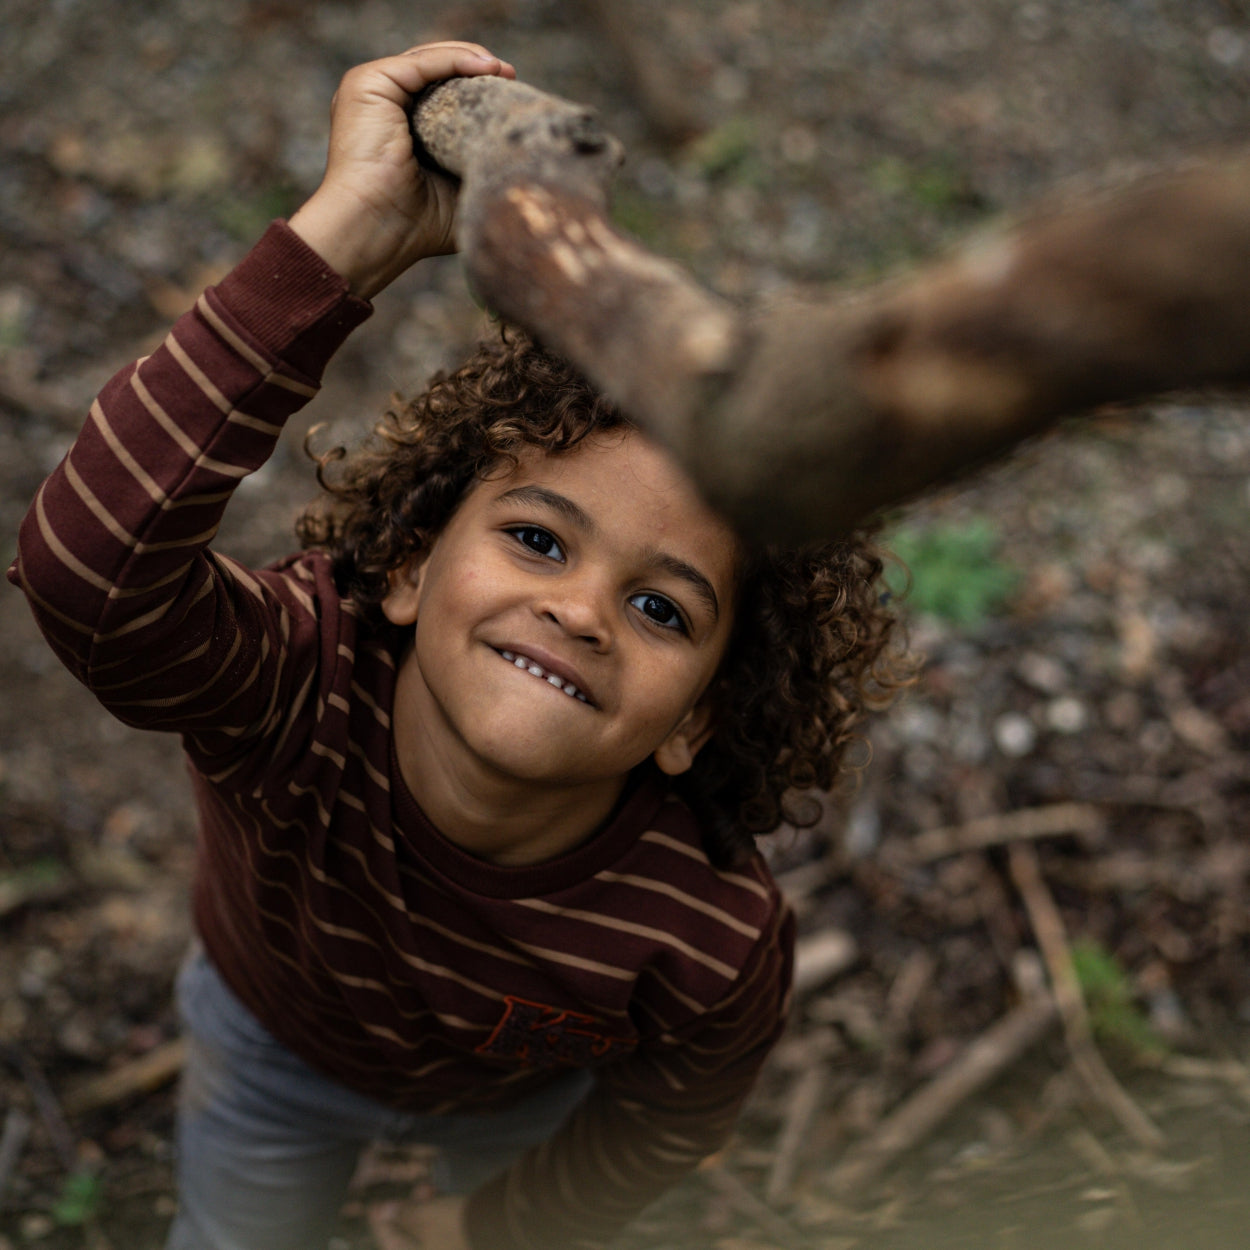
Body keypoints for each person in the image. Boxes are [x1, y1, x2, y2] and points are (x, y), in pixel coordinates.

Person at [8, 41, 909, 1250]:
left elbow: (661, 1122)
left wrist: (501, 1222)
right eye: (538, 538)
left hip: (509, 1109)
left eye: (662, 609)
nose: (582, 609)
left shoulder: (701, 933)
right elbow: (86, 569)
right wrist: (349, 237)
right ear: (407, 564)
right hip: (267, 1044)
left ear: (700, 713)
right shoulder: (293, 680)